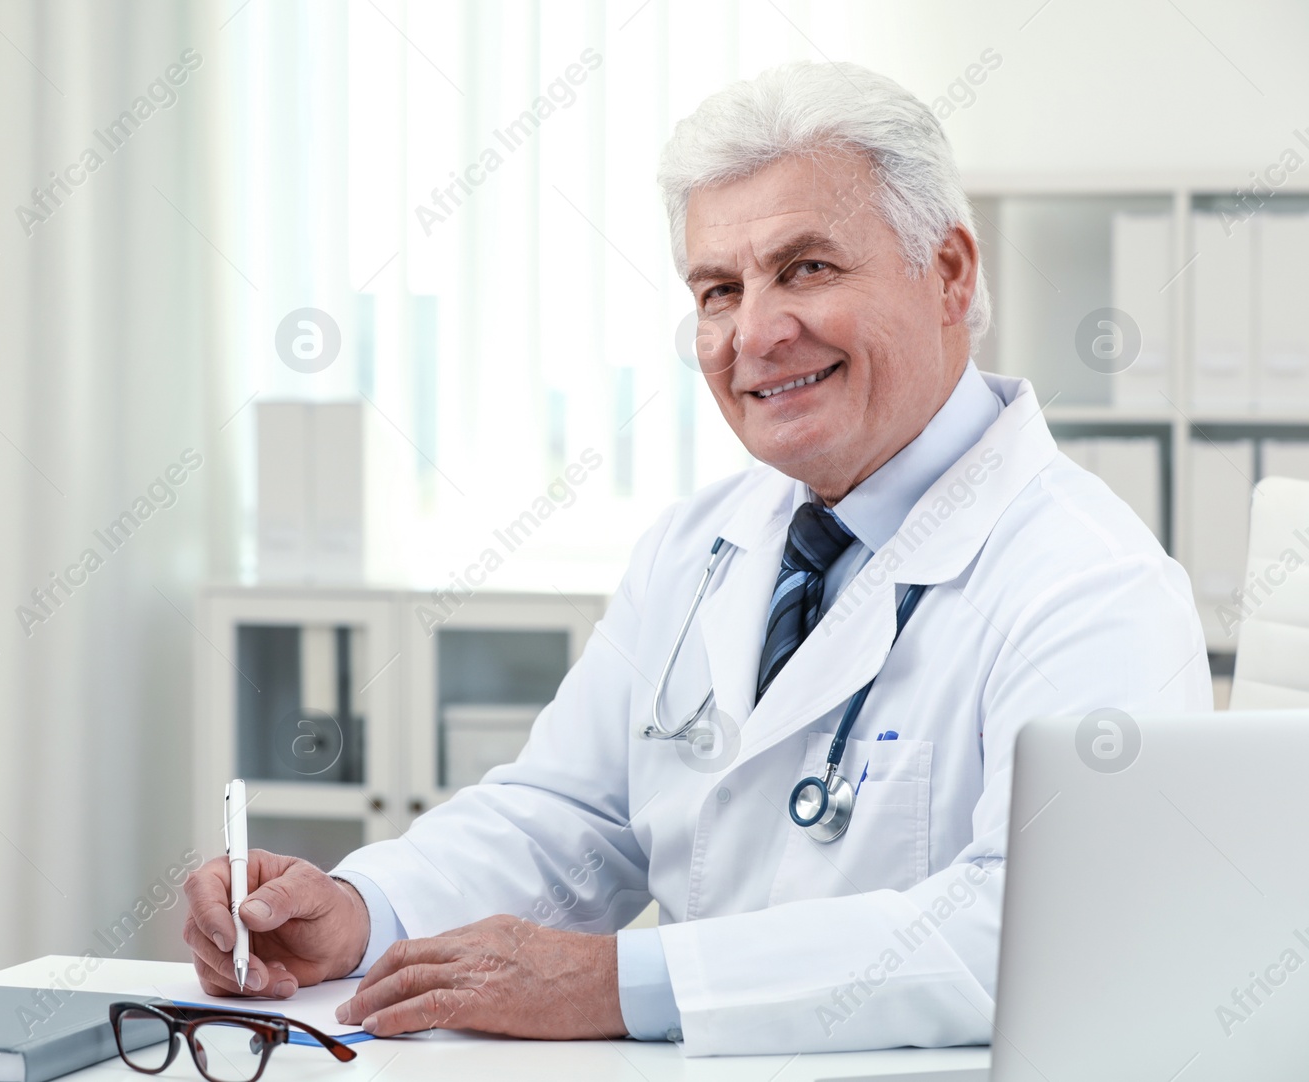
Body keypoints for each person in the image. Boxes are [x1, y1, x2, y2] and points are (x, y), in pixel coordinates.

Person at [183, 60, 1211, 1056]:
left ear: (947, 272)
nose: (752, 332)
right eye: (717, 289)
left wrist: (626, 980)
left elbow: (1039, 929)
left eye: (804, 267)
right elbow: (568, 812)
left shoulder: (1091, 584)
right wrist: (363, 909)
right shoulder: (698, 545)